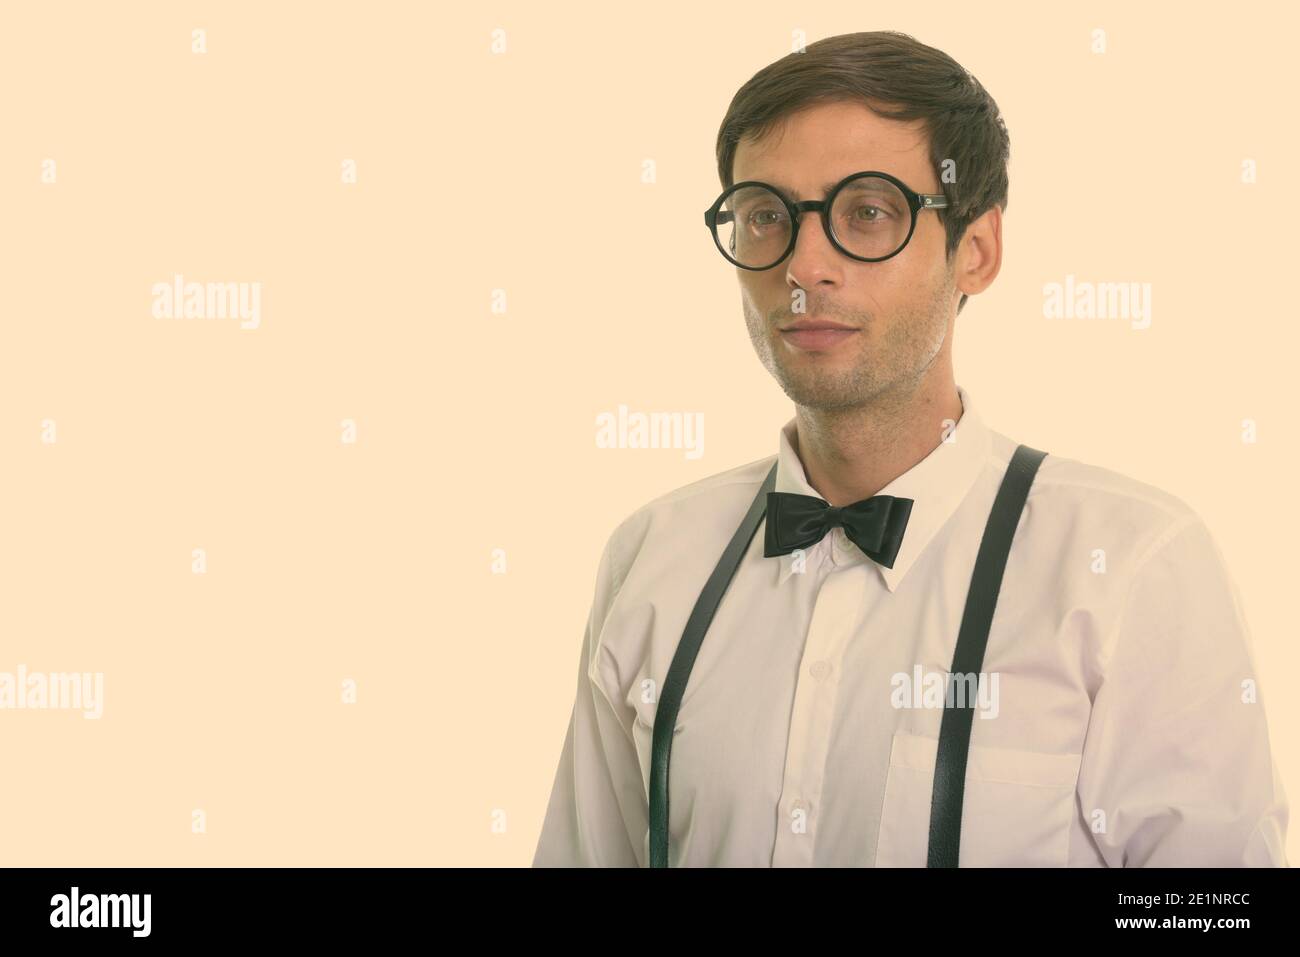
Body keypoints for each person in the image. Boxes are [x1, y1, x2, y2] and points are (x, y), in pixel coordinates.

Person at [532, 31, 1289, 867]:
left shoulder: (1131, 565)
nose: (805, 265)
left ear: (977, 249)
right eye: (765, 217)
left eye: (868, 212)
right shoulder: (651, 557)